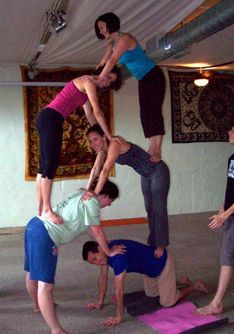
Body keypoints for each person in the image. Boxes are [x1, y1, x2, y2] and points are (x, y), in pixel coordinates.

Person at [24, 180, 126, 334]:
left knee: (32, 272)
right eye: (110, 200)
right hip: (46, 235)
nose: (109, 204)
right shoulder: (92, 203)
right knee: (45, 286)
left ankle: (38, 305)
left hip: (34, 226)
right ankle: (56, 330)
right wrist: (109, 252)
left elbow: (90, 229)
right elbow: (96, 229)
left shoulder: (81, 193)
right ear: (104, 195)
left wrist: (103, 243)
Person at [36, 65, 123, 225]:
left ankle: (41, 209)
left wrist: (99, 135)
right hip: (51, 118)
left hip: (48, 118)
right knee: (50, 163)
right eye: (109, 77)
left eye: (110, 82)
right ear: (103, 71)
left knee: (44, 165)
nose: (107, 82)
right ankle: (47, 209)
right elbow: (98, 112)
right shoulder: (88, 82)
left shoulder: (85, 88)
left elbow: (90, 114)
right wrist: (109, 136)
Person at [83, 124, 170, 258]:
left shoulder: (114, 145)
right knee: (150, 208)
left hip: (158, 171)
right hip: (146, 175)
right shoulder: (102, 151)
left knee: (158, 208)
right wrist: (88, 190)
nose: (92, 143)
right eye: (90, 141)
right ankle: (153, 240)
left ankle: (161, 245)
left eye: (95, 139)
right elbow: (95, 170)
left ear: (104, 137)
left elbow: (105, 170)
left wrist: (94, 193)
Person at [82, 239, 209, 327]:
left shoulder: (117, 257)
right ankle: (180, 280)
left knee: (167, 302)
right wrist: (99, 302)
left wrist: (118, 316)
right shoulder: (107, 250)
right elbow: (103, 278)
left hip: (162, 260)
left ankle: (195, 286)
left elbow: (119, 290)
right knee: (152, 293)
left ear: (99, 248)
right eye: (92, 262)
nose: (96, 263)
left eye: (94, 259)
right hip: (149, 270)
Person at [94, 12, 166, 162]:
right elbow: (103, 63)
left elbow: (113, 60)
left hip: (153, 75)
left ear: (110, 24)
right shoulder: (111, 45)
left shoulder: (125, 38)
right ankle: (151, 146)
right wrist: (93, 77)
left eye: (102, 27)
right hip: (143, 79)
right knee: (144, 112)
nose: (100, 31)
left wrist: (100, 79)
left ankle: (156, 149)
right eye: (99, 29)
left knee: (153, 109)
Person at [196, 123, 234, 316]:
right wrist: (223, 206)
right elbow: (232, 188)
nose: (229, 132)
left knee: (227, 257)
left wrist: (225, 215)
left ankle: (217, 304)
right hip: (231, 213)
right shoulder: (232, 158)